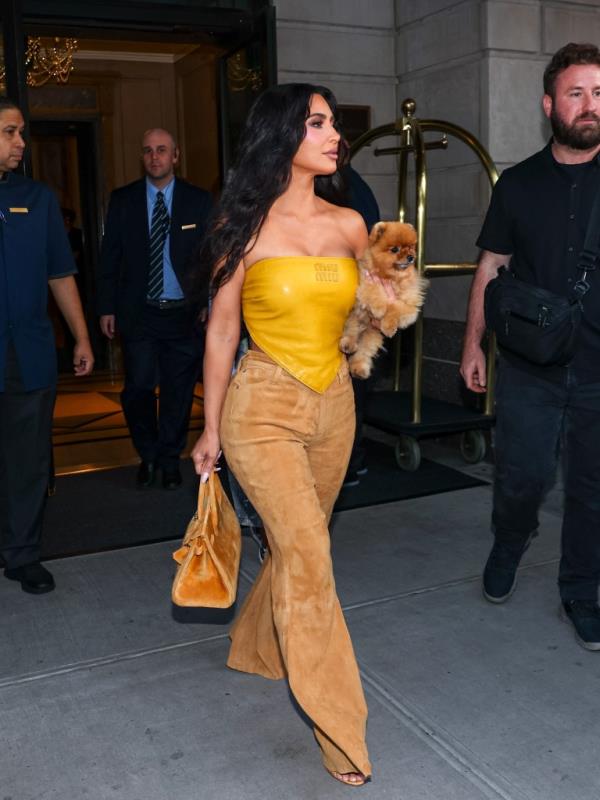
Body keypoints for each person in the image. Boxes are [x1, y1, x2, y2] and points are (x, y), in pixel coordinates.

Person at [191, 84, 372, 786]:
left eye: (332, 125)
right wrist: (208, 428)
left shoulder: (352, 223)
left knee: (301, 548)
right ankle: (342, 730)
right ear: (281, 137)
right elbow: (221, 329)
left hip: (335, 405)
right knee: (310, 559)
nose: (334, 135)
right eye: (318, 123)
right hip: (261, 405)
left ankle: (253, 646)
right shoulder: (241, 225)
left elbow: (370, 315)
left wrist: (389, 302)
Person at [460, 42, 600, 651]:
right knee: (522, 477)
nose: (590, 104)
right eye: (577, 93)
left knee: (592, 490)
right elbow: (491, 266)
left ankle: (581, 589)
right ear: (550, 104)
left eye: (599, 92)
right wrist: (472, 346)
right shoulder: (517, 184)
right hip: (529, 368)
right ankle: (510, 541)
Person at [0, 97, 94, 594]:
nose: (21, 143)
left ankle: (22, 554)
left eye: (21, 132)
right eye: (10, 132)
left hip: (29, 355)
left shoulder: (37, 199)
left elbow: (60, 272)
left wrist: (81, 336)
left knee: (29, 459)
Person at [97, 128, 212, 490]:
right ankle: (147, 453)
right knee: (139, 388)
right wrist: (106, 307)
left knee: (178, 393)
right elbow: (109, 259)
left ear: (175, 156)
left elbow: (212, 259)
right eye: (148, 151)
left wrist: (211, 303)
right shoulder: (124, 200)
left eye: (162, 150)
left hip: (184, 314)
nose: (155, 157)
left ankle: (168, 459)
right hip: (139, 312)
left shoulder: (199, 201)